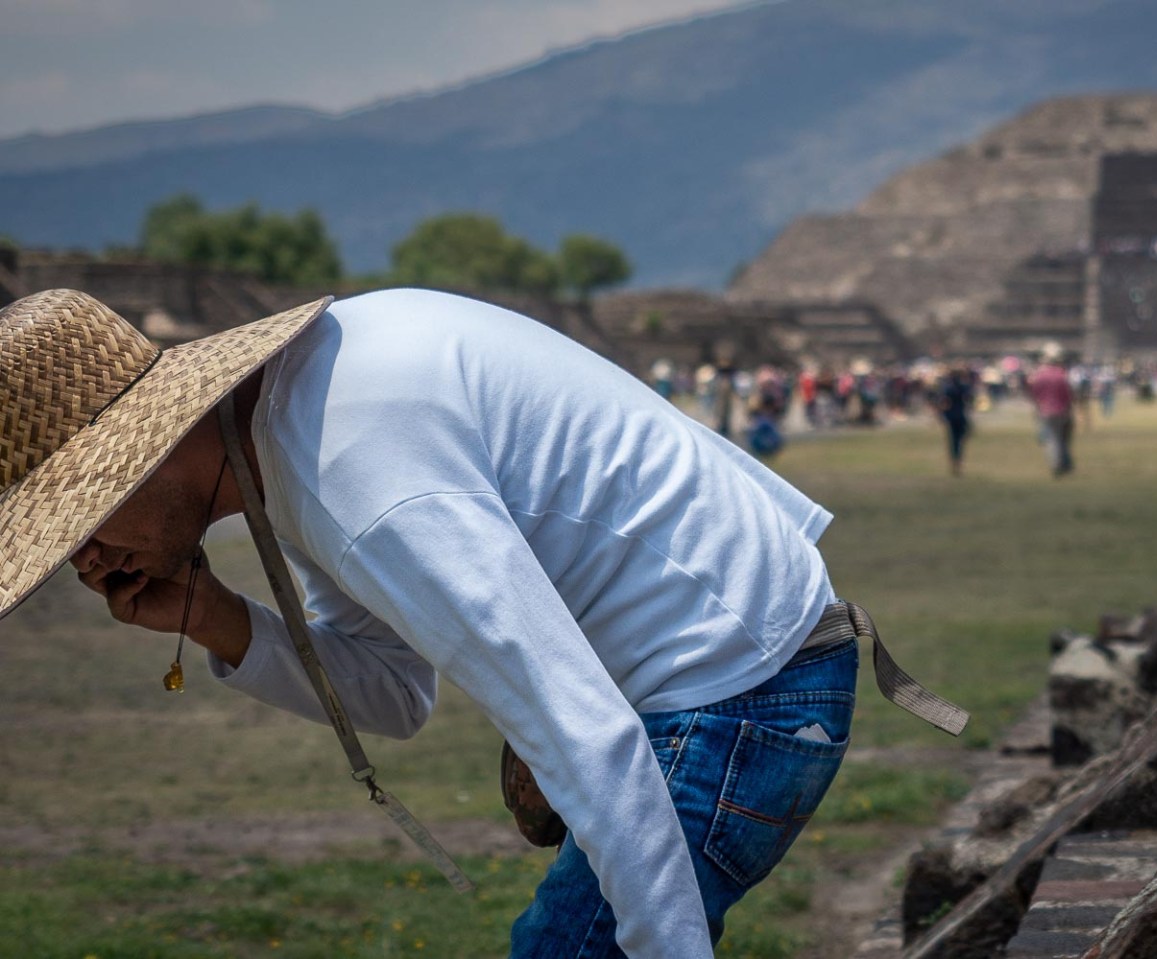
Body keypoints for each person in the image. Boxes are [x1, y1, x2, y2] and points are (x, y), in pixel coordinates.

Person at [0, 287, 957, 958]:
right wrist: (212, 617)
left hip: (733, 692)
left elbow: (582, 734)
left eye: (74, 523)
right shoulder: (295, 428)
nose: (83, 562)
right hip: (743, 676)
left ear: (136, 456)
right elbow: (396, 691)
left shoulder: (353, 472)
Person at [1026, 342, 1075, 477]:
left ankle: (1057, 464)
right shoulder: (1061, 375)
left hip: (1046, 411)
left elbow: (1034, 393)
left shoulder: (1039, 376)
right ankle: (1063, 463)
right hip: (1062, 411)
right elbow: (1068, 394)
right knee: (1062, 438)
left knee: (1052, 439)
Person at [933, 363, 974, 476]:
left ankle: (955, 462)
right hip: (961, 416)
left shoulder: (948, 388)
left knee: (953, 440)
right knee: (960, 439)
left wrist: (940, 414)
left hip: (951, 416)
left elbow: (944, 403)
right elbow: (969, 400)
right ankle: (958, 462)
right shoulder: (964, 387)